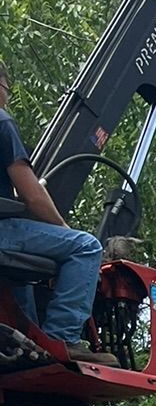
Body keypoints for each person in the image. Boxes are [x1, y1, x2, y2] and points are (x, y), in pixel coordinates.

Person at [0, 61, 102, 354]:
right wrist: (62, 227)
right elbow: (31, 195)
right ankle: (63, 338)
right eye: (7, 89)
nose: (6, 97)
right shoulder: (1, 122)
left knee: (20, 282)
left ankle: (29, 346)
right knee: (85, 247)